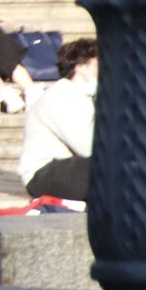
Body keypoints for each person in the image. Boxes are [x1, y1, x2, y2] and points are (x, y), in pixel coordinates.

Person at [17, 38, 97, 200]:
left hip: (66, 166)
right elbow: (87, 146)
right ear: (81, 67)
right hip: (42, 174)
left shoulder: (82, 96)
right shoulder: (62, 95)